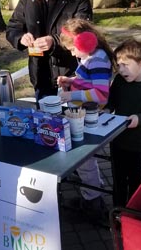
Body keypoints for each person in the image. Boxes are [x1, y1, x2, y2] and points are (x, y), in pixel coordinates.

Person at [6, 0, 92, 101]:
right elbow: (13, 27)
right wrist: (21, 37)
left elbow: (83, 35)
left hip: (71, 75)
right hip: (41, 75)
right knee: (45, 123)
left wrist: (54, 41)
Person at [56, 18, 114, 218]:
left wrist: (71, 95)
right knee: (86, 159)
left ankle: (92, 202)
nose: (72, 54)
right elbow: (88, 81)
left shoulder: (97, 60)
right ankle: (93, 188)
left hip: (89, 117)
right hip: (83, 114)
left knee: (83, 158)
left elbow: (100, 94)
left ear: (84, 43)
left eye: (72, 49)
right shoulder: (93, 57)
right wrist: (72, 80)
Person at [107, 38, 141, 207]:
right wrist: (106, 111)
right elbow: (111, 102)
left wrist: (139, 119)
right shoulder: (119, 81)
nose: (121, 70)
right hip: (117, 140)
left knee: (135, 177)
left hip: (136, 144)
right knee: (118, 179)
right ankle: (118, 211)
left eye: (126, 65)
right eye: (119, 65)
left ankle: (135, 208)